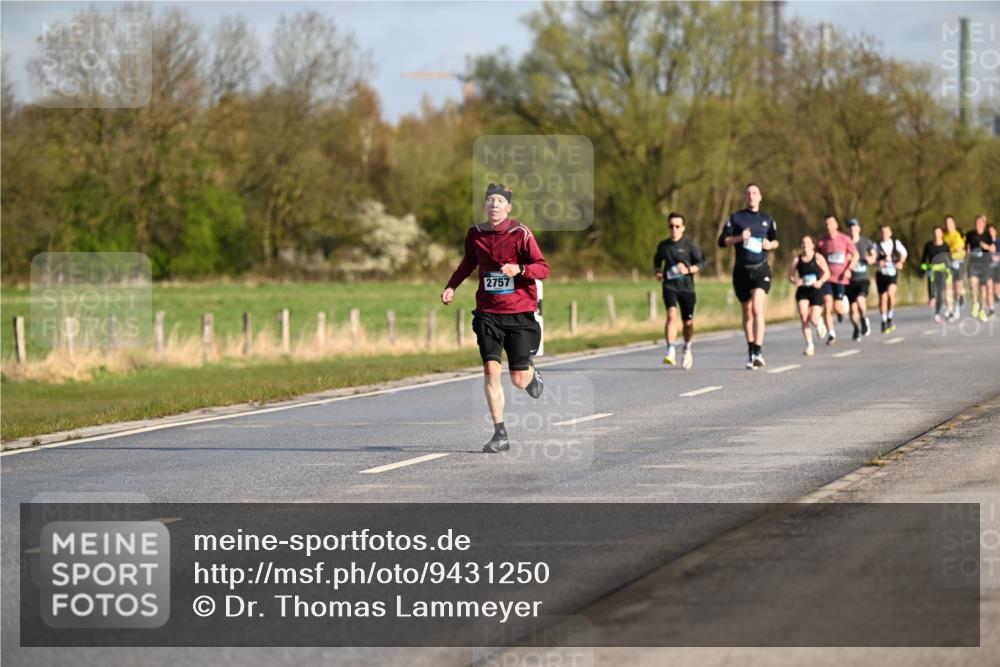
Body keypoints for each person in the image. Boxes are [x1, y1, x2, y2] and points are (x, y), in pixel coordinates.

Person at [441, 183, 549, 454]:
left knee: (519, 380)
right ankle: (500, 433)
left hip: (518, 313)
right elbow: (468, 262)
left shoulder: (520, 233)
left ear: (508, 207)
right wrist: (452, 285)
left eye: (499, 200)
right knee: (491, 370)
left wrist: (520, 269)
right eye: (490, 200)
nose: (494, 204)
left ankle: (532, 374)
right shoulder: (475, 234)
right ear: (484, 206)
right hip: (488, 313)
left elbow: (543, 268)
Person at [717, 183, 780, 369]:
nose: (751, 196)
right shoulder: (736, 218)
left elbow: (776, 240)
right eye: (748, 193)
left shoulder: (767, 220)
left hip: (760, 270)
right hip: (741, 271)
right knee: (747, 311)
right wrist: (739, 238)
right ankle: (751, 349)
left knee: (757, 308)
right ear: (745, 197)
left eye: (754, 193)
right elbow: (722, 241)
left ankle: (759, 351)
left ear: (760, 197)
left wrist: (770, 245)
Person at [653, 212, 706, 370]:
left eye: (677, 226)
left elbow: (702, 263)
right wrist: (658, 272)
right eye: (671, 226)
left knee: (687, 323)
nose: (674, 229)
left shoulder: (690, 245)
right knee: (671, 315)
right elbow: (657, 261)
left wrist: (689, 269)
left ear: (683, 228)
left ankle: (687, 348)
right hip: (670, 286)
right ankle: (670, 350)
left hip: (687, 288)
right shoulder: (663, 246)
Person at [816, 215, 858, 345]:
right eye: (826, 224)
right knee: (827, 304)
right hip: (827, 277)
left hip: (841, 278)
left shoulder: (844, 239)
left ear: (836, 225)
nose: (828, 227)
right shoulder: (822, 241)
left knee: (838, 307)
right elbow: (816, 256)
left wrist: (849, 269)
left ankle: (841, 313)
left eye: (830, 224)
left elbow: (856, 255)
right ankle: (832, 334)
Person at [789, 235, 831, 356]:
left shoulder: (818, 257)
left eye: (807, 243)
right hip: (803, 291)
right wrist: (796, 281)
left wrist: (820, 282)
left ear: (813, 245)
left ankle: (820, 323)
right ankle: (809, 345)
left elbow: (827, 273)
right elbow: (790, 276)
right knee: (803, 316)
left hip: (815, 290)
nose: (805, 245)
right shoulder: (797, 260)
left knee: (813, 319)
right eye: (803, 243)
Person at [846, 218, 875, 341]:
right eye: (850, 226)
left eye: (854, 226)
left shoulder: (865, 242)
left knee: (860, 301)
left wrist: (870, 259)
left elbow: (874, 255)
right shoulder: (846, 242)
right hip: (849, 280)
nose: (852, 228)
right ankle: (856, 329)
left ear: (859, 228)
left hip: (863, 278)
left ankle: (864, 320)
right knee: (852, 309)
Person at [874, 225, 907, 334]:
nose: (884, 234)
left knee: (890, 294)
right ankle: (883, 320)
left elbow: (904, 253)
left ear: (890, 233)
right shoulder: (876, 245)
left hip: (892, 273)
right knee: (882, 299)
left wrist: (900, 262)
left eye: (886, 232)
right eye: (882, 232)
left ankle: (890, 317)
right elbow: (872, 258)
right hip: (881, 274)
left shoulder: (895, 243)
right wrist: (877, 262)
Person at [965, 214, 996, 323]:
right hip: (973, 263)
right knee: (972, 284)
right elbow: (965, 248)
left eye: (980, 222)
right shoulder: (970, 234)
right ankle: (975, 303)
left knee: (983, 289)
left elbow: (993, 248)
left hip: (984, 264)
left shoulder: (988, 235)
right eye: (976, 222)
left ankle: (982, 310)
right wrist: (967, 252)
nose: (978, 224)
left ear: (984, 224)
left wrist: (985, 247)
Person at [920, 226, 953, 324]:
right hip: (932, 270)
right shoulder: (928, 245)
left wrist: (948, 268)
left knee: (940, 293)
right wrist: (923, 269)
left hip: (942, 271)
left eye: (938, 233)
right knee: (931, 287)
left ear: (941, 234)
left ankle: (937, 314)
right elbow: (923, 259)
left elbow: (950, 259)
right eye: (935, 233)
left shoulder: (945, 246)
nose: (936, 235)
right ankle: (931, 298)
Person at [942, 215, 966, 319]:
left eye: (950, 223)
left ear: (954, 223)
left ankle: (957, 306)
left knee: (958, 287)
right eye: (946, 223)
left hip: (958, 262)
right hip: (947, 263)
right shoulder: (943, 235)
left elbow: (959, 248)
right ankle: (950, 309)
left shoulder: (958, 234)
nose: (948, 225)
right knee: (948, 287)